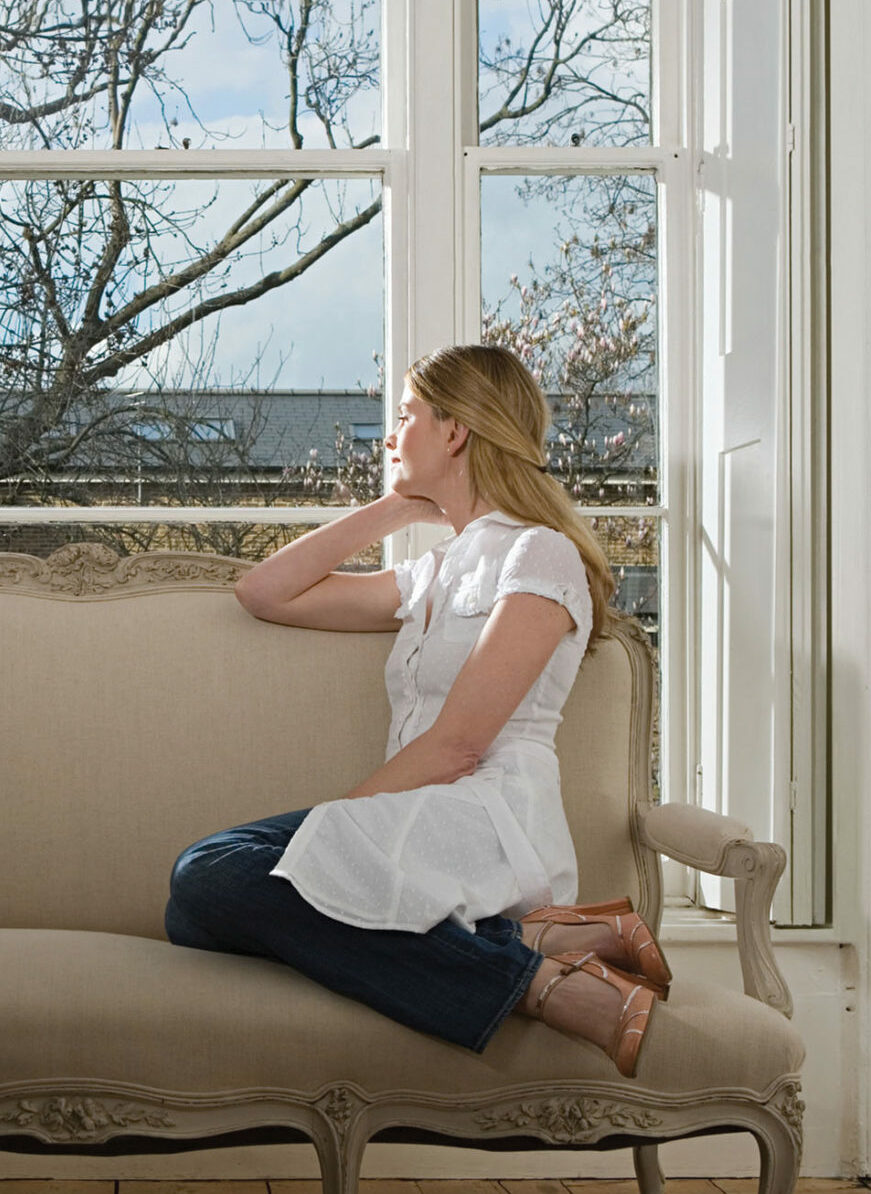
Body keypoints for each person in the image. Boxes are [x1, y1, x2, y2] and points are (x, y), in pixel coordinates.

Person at [165, 343, 668, 1078]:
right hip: (420, 816)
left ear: (455, 431)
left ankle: (548, 985)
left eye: (405, 418)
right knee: (197, 899)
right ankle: (529, 946)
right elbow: (264, 593)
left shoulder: (541, 555)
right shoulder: (436, 569)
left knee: (211, 879)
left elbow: (460, 745)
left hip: (485, 816)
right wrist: (396, 504)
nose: (392, 436)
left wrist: (340, 828)